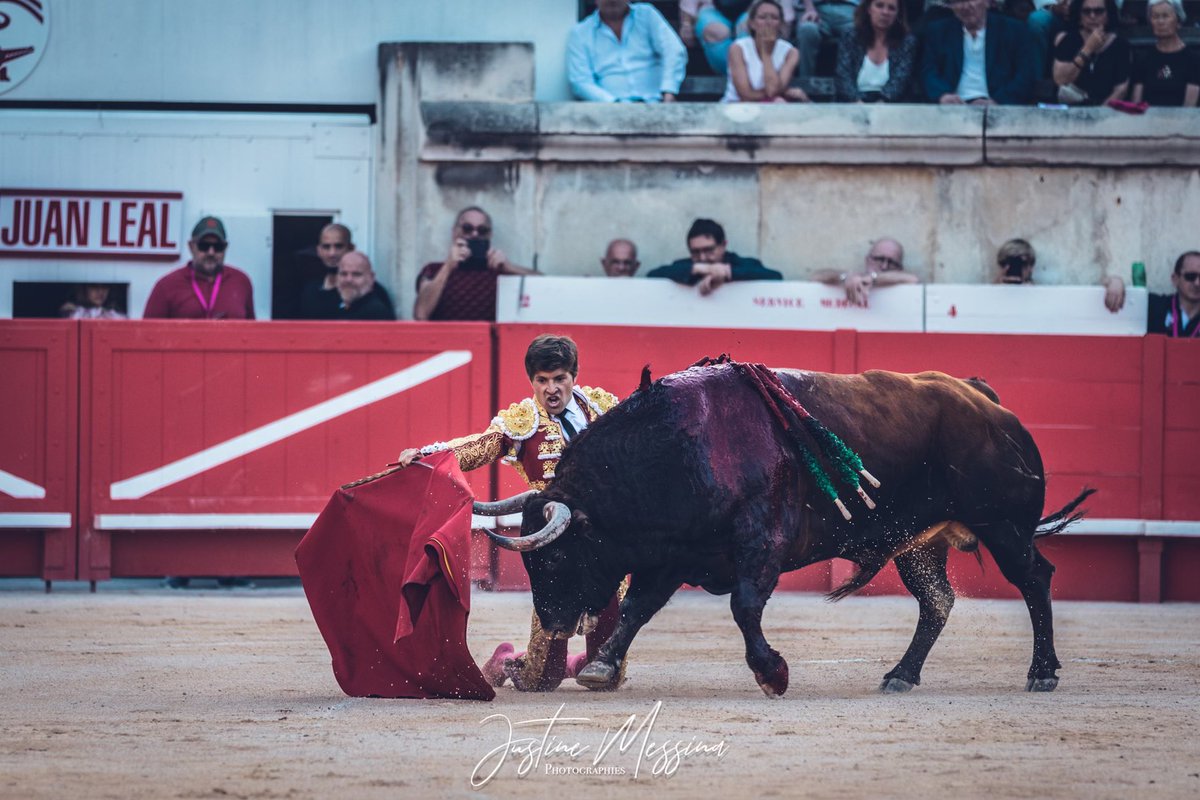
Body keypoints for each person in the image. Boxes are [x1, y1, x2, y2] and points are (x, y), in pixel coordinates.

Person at [395, 335, 625, 691]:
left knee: (608, 673)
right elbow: (478, 447)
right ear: (532, 381)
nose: (551, 389)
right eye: (542, 380)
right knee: (541, 680)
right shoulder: (522, 422)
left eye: (559, 378)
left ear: (574, 376)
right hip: (555, 549)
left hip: (604, 544)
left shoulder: (602, 409)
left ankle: (582, 663)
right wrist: (429, 454)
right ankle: (505, 659)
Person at [412, 207, 535, 322]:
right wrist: (447, 267)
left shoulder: (499, 272)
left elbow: (543, 288)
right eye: (467, 228)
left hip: (488, 337)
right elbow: (421, 314)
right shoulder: (433, 269)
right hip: (446, 337)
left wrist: (510, 268)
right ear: (455, 232)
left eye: (482, 230)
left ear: (489, 234)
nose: (475, 234)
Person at [567, 0, 687, 102]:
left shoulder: (647, 15)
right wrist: (614, 103)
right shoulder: (580, 32)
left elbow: (673, 50)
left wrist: (669, 91)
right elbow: (580, 81)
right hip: (608, 111)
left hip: (656, 103)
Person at [921, 0, 1036, 105]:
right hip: (953, 105)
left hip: (998, 105)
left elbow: (1025, 75)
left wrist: (997, 101)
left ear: (988, 2)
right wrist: (943, 95)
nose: (966, 6)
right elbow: (929, 71)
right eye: (958, 1)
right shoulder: (938, 31)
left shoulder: (1014, 30)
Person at [143, 216, 255, 319]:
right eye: (204, 246)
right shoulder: (166, 286)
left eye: (218, 247)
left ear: (225, 247)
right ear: (191, 247)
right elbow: (147, 332)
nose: (211, 252)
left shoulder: (241, 282)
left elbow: (252, 331)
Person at [647, 218, 783, 295]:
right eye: (695, 252)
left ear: (723, 245)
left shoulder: (742, 264)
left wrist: (727, 273)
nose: (702, 257)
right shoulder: (685, 266)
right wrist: (700, 269)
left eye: (709, 250)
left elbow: (775, 276)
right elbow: (652, 275)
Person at [994, 238, 1126, 312]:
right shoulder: (988, 299)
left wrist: (1114, 282)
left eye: (1022, 263)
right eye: (1007, 263)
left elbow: (1081, 299)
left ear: (1031, 267)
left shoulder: (1046, 297)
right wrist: (996, 290)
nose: (1015, 270)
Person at [297, 223, 394, 319]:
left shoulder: (370, 292)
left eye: (338, 246)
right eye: (326, 247)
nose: (332, 253)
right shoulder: (310, 291)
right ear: (319, 251)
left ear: (351, 248)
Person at [679, 0, 796, 75]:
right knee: (716, 31)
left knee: (751, 26)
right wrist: (686, 24)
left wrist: (783, 25)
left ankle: (754, 78)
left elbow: (785, 18)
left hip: (758, 6)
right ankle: (736, 80)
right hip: (712, 8)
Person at [724, 0, 809, 102]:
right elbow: (746, 95)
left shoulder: (791, 52)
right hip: (737, 104)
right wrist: (783, 92)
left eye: (774, 18)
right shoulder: (738, 48)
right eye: (762, 17)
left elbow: (772, 90)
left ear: (781, 24)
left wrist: (766, 54)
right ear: (752, 23)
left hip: (772, 103)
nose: (768, 22)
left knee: (779, 102)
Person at [835, 0, 918, 101]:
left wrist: (881, 104)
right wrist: (858, 103)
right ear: (869, 9)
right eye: (879, 6)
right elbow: (843, 77)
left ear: (898, 13)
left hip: (892, 105)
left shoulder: (906, 41)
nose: (885, 12)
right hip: (853, 103)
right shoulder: (850, 36)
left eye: (891, 8)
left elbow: (900, 80)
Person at [1051, 0, 1129, 106]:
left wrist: (1099, 113)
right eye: (1086, 11)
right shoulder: (1068, 40)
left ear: (1108, 14)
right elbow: (1060, 80)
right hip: (1070, 109)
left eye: (1099, 11)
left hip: (1106, 111)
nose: (1092, 16)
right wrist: (1087, 49)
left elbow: (1121, 89)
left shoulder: (1120, 45)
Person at [1130, 0, 1199, 108]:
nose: (1160, 22)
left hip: (1181, 117)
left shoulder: (1193, 59)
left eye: (1166, 16)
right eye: (1155, 17)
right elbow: (1136, 103)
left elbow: (1189, 106)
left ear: (1178, 22)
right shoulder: (1143, 58)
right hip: (1148, 117)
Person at [812, 237, 918, 306]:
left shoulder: (901, 284)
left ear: (900, 268)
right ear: (867, 260)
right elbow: (816, 277)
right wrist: (844, 277)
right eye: (879, 259)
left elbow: (913, 279)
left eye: (892, 262)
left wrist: (873, 279)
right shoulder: (855, 278)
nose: (884, 266)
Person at [794, 0, 860, 79]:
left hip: (849, 10)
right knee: (807, 29)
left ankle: (856, 82)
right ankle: (805, 80)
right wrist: (809, 8)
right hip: (818, 9)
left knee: (859, 31)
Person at [328, 251, 396, 321]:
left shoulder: (376, 313)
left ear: (371, 278)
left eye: (356, 274)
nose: (348, 280)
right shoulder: (336, 306)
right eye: (344, 274)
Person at [59, 284, 126, 319]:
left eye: (104, 286)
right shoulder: (72, 312)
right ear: (83, 289)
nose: (100, 292)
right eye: (94, 286)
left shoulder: (115, 312)